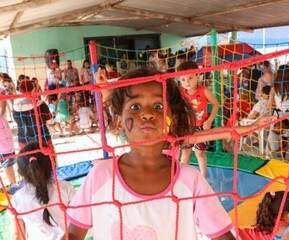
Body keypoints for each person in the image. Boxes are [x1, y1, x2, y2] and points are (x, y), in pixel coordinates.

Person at [67, 68, 273, 240]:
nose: (147, 114)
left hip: (176, 178)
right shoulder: (101, 176)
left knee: (198, 156)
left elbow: (214, 133)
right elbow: (73, 234)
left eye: (158, 106)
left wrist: (250, 127)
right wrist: (106, 93)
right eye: (136, 107)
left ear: (172, 120)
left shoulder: (189, 180)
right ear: (120, 121)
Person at [11, 142, 75, 240]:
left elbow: (18, 235)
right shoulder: (65, 187)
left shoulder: (17, 198)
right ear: (52, 164)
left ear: (20, 172)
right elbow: (79, 220)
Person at [177, 61, 219, 177]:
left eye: (190, 78)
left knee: (200, 153)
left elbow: (216, 105)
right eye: (183, 80)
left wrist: (210, 120)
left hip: (201, 126)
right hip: (186, 127)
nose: (187, 83)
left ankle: (204, 176)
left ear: (197, 75)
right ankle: (181, 177)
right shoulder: (180, 92)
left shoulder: (204, 91)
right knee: (185, 153)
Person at [13, 79, 52, 149]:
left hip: (24, 139)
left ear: (20, 90)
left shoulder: (16, 106)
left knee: (26, 159)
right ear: (33, 89)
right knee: (48, 158)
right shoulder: (41, 104)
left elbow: (17, 121)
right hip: (42, 138)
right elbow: (49, 119)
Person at [0, 86, 17, 190]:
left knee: (7, 164)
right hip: (4, 143)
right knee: (7, 164)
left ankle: (13, 185)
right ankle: (13, 185)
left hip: (4, 143)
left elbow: (3, 106)